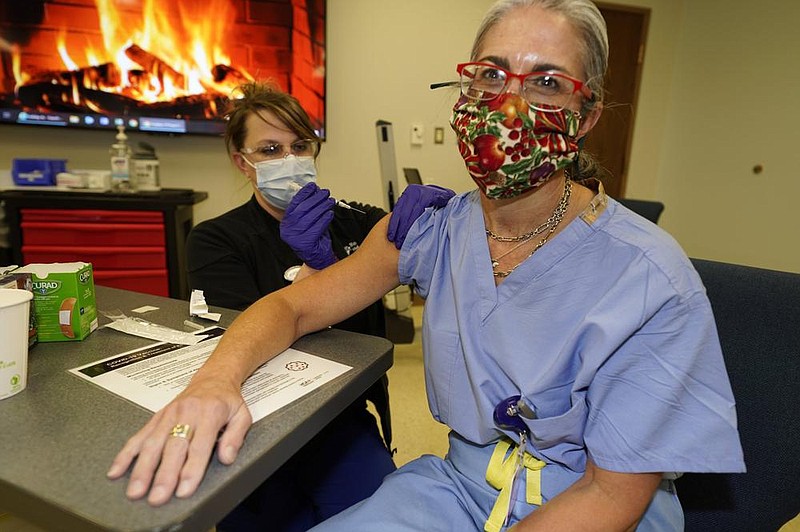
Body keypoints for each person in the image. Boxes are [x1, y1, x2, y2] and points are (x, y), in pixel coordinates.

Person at [108, 1, 745, 530]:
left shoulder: (650, 277)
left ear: (586, 116)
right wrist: (212, 385)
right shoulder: (436, 229)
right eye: (491, 76)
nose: (509, 105)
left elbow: (613, 495)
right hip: (459, 490)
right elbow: (294, 305)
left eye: (547, 82)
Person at [182, 81, 453, 531]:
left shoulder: (357, 221)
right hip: (255, 426)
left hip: (339, 420)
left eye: (299, 145)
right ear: (242, 163)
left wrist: (451, 218)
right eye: (270, 149)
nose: (289, 160)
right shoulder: (215, 240)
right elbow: (236, 341)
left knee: (381, 515)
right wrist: (316, 271)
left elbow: (368, 335)